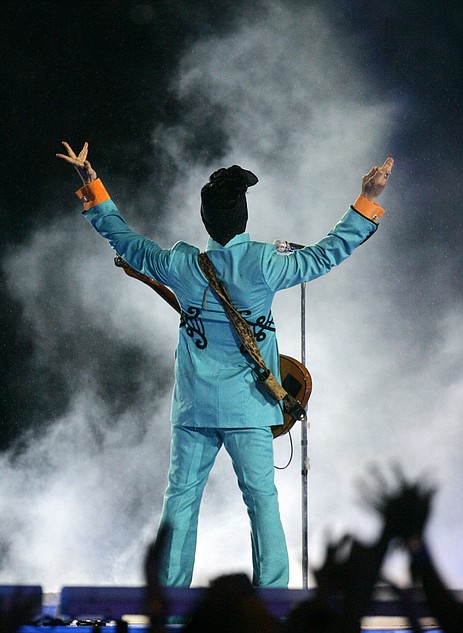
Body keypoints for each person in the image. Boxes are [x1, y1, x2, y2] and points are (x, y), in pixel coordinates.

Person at [57, 142, 394, 588]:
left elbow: (124, 239)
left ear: (205, 220)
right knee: (262, 502)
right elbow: (325, 253)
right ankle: (271, 600)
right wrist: (367, 199)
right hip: (248, 408)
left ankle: (169, 601)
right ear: (243, 218)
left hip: (195, 408)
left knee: (180, 502)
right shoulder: (265, 263)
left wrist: (92, 184)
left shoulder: (180, 264)